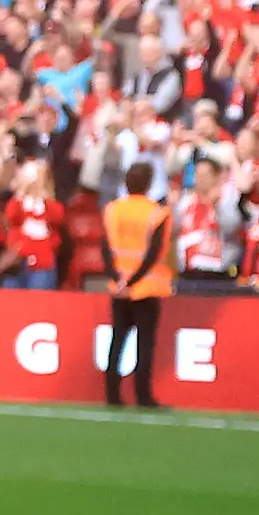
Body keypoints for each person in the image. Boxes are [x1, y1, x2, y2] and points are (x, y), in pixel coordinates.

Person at [100, 158, 169, 408]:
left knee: (117, 339)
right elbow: (154, 253)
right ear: (149, 183)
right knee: (144, 343)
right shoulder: (157, 213)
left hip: (118, 286)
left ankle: (112, 394)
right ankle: (143, 395)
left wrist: (117, 278)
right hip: (145, 287)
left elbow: (106, 247)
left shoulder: (113, 209)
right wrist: (133, 280)